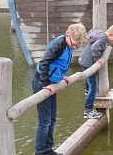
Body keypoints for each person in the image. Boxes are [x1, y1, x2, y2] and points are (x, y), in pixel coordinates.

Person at [32, 23, 87, 155]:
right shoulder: (58, 45)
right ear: (67, 36)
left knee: (52, 118)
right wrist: (45, 84)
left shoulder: (69, 44)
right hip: (42, 82)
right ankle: (40, 151)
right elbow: (45, 62)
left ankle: (48, 148)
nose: (74, 47)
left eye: (77, 46)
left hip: (52, 82)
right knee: (44, 120)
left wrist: (62, 77)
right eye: (73, 44)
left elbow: (60, 64)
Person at [79, 24, 113, 119]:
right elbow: (95, 47)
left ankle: (87, 91)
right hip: (88, 63)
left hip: (82, 60)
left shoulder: (99, 34)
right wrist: (98, 59)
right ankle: (88, 110)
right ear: (110, 34)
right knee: (94, 88)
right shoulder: (103, 39)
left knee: (89, 83)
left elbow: (90, 33)